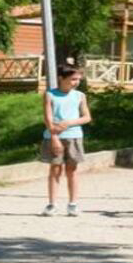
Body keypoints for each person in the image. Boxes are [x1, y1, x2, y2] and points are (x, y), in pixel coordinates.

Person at [40, 64, 92, 216]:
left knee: (72, 171)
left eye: (78, 79)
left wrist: (69, 123)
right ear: (61, 78)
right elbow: (48, 118)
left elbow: (87, 117)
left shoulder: (80, 96)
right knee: (55, 170)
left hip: (74, 137)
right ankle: (52, 204)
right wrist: (54, 137)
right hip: (54, 137)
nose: (76, 82)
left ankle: (73, 204)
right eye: (73, 79)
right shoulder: (50, 95)